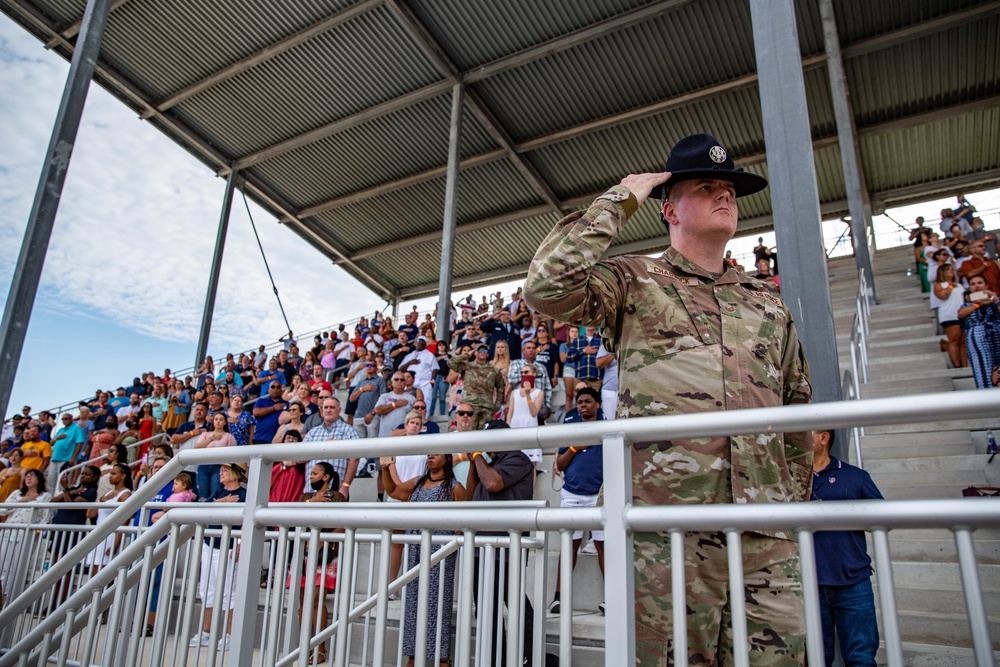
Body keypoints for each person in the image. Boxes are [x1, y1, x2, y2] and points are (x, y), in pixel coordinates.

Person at [524, 133, 813, 665]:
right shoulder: (634, 281)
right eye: (706, 187)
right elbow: (546, 287)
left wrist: (789, 506)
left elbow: (798, 413)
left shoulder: (767, 303)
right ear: (669, 210)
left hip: (766, 533)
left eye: (729, 189)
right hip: (669, 534)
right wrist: (620, 200)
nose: (724, 195)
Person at [382, 453, 465, 666]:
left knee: (438, 604)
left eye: (435, 455)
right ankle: (413, 656)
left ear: (447, 460)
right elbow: (392, 490)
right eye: (428, 455)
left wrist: (454, 541)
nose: (430, 458)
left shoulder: (454, 487)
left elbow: (466, 517)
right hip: (415, 550)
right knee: (413, 604)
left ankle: (442, 658)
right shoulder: (416, 482)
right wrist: (385, 467)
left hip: (440, 553)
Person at [464, 420, 535, 666]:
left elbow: (493, 483)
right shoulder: (491, 463)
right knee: (485, 610)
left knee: (515, 606)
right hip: (483, 548)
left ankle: (530, 656)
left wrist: (476, 455)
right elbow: (471, 494)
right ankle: (497, 660)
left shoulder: (517, 459)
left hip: (505, 548)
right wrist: (476, 460)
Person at [811, 429, 882, 666]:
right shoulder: (789, 479)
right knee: (815, 659)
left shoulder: (855, 476)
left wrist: (842, 512)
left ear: (824, 438)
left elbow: (882, 518)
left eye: (806, 431)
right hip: (807, 584)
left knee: (861, 658)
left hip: (853, 583)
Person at [548, 388, 605, 615]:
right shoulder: (571, 430)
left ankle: (611, 597)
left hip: (598, 495)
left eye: (588, 402)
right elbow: (559, 465)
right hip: (571, 493)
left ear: (597, 404)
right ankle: (558, 597)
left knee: (603, 546)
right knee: (568, 546)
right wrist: (573, 447)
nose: (583, 405)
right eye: (580, 402)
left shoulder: (606, 428)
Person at [189, 462, 247, 650]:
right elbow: (203, 510)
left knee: (229, 591)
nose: (221, 472)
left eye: (225, 470)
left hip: (229, 546)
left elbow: (246, 522)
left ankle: (230, 635)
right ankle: (206, 633)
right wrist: (219, 502)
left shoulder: (246, 494)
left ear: (236, 473)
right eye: (221, 469)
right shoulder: (218, 493)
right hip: (210, 544)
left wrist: (239, 545)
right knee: (208, 590)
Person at [297, 462, 345, 664]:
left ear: (326, 477)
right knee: (302, 603)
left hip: (325, 554)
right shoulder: (307, 497)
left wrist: (323, 541)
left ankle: (321, 650)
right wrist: (312, 501)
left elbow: (343, 524)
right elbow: (294, 515)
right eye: (311, 473)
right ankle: (307, 647)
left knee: (316, 600)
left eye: (315, 474)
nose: (311, 476)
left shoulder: (338, 497)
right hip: (303, 554)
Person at [48, 465, 101, 607]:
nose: (83, 476)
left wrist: (66, 490)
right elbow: (53, 501)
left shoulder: (91, 491)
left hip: (72, 533)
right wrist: (71, 491)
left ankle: (58, 604)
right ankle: (52, 602)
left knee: (66, 571)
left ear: (94, 477)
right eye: (82, 473)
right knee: (55, 569)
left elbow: (71, 506)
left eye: (87, 474)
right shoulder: (74, 489)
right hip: (60, 531)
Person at [0, 469, 52, 597]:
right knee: (3, 566)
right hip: (8, 533)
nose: (28, 478)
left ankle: (10, 598)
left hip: (26, 536)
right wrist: (23, 500)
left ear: (39, 479)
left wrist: (38, 532)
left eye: (32, 476)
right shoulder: (17, 493)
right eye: (27, 476)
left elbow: (45, 517)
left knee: (17, 567)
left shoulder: (44, 496)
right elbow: (2, 510)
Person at [301, 398, 359, 499]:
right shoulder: (312, 432)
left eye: (332, 407)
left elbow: (355, 458)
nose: (328, 410)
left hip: (335, 490)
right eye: (326, 407)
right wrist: (323, 446)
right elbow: (299, 458)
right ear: (321, 410)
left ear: (339, 410)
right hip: (311, 491)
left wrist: (345, 487)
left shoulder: (349, 430)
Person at [87, 462, 134, 574]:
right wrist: (102, 500)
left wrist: (117, 543)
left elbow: (125, 520)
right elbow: (90, 514)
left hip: (110, 537)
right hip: (98, 534)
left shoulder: (125, 494)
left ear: (123, 476)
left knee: (101, 572)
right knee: (93, 570)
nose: (110, 476)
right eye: (110, 473)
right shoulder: (108, 493)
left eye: (114, 473)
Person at [448, 344, 506, 430]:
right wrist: (467, 354)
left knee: (485, 434)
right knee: (469, 432)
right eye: (480, 350)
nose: (483, 352)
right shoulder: (467, 366)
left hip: (486, 408)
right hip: (469, 407)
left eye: (485, 351)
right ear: (476, 352)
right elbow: (451, 362)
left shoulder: (494, 370)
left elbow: (501, 388)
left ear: (488, 354)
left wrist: (496, 406)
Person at [958, 274, 1000, 388]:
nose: (976, 286)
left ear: (986, 285)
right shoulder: (967, 305)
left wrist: (995, 301)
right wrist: (977, 304)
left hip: (997, 337)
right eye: (973, 284)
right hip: (978, 342)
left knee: (998, 369)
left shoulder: (997, 300)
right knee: (983, 369)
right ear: (970, 288)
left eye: (980, 283)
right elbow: (961, 314)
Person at [194, 413, 237, 499]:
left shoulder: (229, 436)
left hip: (219, 466)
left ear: (225, 422)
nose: (218, 422)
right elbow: (196, 447)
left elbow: (232, 454)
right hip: (204, 465)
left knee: (215, 493)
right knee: (202, 495)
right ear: (213, 422)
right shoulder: (206, 434)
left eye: (221, 420)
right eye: (216, 419)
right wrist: (211, 439)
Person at [934, 263, 968, 368]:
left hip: (962, 314)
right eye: (948, 270)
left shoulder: (959, 285)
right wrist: (950, 286)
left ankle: (964, 365)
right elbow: (942, 295)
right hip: (949, 314)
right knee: (954, 340)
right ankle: (957, 365)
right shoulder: (939, 285)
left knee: (963, 342)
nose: (951, 271)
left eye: (951, 269)